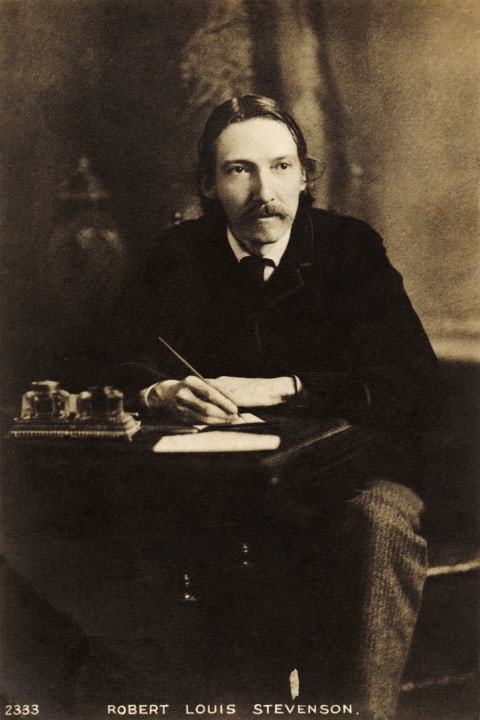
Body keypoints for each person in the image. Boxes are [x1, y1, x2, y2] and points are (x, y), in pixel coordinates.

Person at [116, 95, 441, 719]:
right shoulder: (180, 253)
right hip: (226, 491)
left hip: (358, 476)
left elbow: (413, 383)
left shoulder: (350, 249)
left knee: (377, 526)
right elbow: (104, 355)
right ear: (209, 184)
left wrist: (282, 386)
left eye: (282, 166)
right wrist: (158, 391)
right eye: (240, 170)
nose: (265, 190)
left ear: (305, 173)